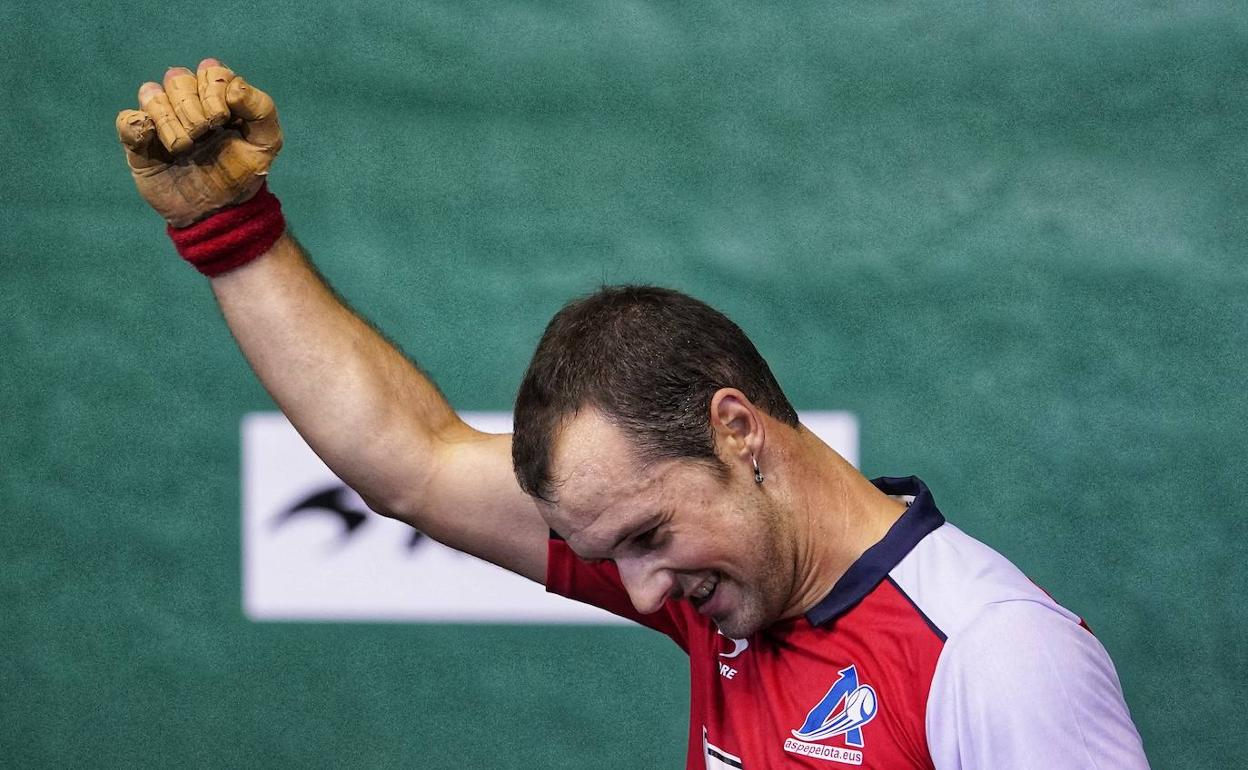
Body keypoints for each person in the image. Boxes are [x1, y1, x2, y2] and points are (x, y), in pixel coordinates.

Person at [116, 59, 1150, 769]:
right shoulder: (721, 589)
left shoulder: (992, 654)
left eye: (651, 534)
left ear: (738, 432)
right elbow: (412, 464)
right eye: (617, 551)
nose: (646, 587)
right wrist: (228, 229)